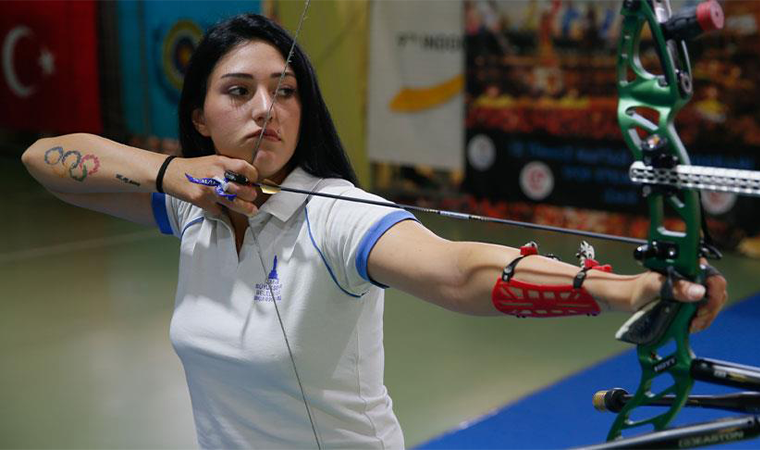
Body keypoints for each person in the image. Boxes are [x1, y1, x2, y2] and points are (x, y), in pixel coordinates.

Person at [21, 13, 727, 450]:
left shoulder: (335, 214)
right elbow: (44, 161)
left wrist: (624, 286)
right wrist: (172, 173)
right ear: (200, 114)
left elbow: (458, 272)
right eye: (239, 91)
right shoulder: (189, 207)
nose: (268, 108)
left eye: (286, 91)